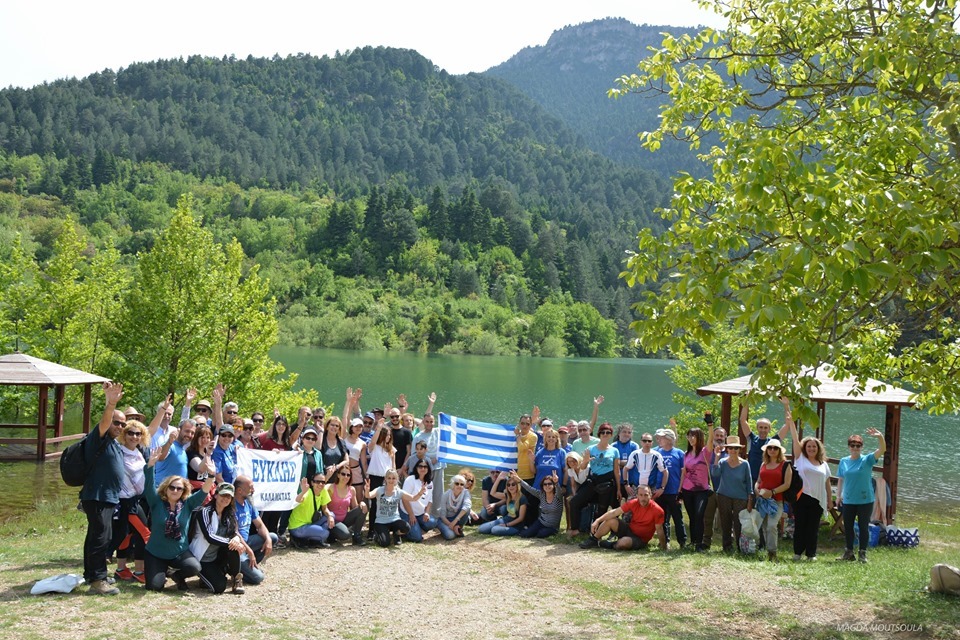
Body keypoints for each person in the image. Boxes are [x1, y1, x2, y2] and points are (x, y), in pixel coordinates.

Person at [143, 448, 215, 591]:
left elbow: (204, 491)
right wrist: (151, 464)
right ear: (166, 488)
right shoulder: (156, 501)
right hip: (155, 552)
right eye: (172, 487)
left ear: (184, 491)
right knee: (154, 587)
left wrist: (211, 475)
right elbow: (149, 484)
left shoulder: (188, 504)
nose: (175, 491)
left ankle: (176, 575)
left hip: (179, 552)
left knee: (194, 567)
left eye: (179, 488)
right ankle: (161, 571)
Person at [80, 381, 126, 596]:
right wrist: (111, 404)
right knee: (101, 537)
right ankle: (98, 581)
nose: (119, 426)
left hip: (106, 496)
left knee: (96, 536)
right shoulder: (98, 438)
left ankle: (92, 574)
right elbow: (105, 422)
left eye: (122, 424)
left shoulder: (115, 443)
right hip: (97, 496)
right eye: (117, 422)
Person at [782, 398, 833, 561]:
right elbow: (795, 437)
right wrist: (787, 408)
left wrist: (830, 500)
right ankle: (797, 553)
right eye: (809, 446)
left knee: (813, 528)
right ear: (805, 448)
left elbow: (827, 482)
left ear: (818, 449)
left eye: (814, 446)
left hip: (818, 500)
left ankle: (811, 554)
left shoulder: (823, 464)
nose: (811, 448)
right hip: (801, 497)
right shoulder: (800, 458)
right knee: (800, 526)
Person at [837, 427, 886, 562]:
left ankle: (862, 553)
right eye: (852, 445)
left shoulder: (867, 460)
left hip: (865, 500)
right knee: (848, 526)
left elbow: (882, 449)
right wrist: (838, 495)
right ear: (849, 446)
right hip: (848, 499)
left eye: (858, 445)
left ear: (861, 447)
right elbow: (841, 479)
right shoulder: (844, 461)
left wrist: (880, 437)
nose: (855, 448)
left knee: (863, 526)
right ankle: (849, 553)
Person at [190, 483, 247, 594]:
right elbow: (209, 536)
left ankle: (237, 579)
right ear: (216, 495)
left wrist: (236, 539)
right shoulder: (205, 512)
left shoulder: (229, 513)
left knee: (233, 547)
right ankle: (209, 577)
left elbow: (233, 532)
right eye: (223, 495)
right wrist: (232, 541)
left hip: (217, 555)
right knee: (219, 588)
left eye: (228, 496)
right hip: (203, 558)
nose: (225, 499)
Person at [569, 423, 621, 543]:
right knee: (575, 502)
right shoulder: (591, 449)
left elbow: (617, 471)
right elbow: (582, 467)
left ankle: (596, 535)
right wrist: (585, 461)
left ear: (611, 435)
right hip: (593, 481)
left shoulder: (614, 451)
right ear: (599, 434)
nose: (605, 434)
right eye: (603, 432)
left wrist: (618, 488)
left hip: (607, 482)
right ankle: (575, 529)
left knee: (602, 509)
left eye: (608, 432)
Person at [112, 418, 149, 584]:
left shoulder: (139, 452)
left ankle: (121, 569)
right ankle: (140, 570)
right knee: (144, 533)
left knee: (128, 534)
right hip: (125, 501)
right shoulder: (118, 451)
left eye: (138, 433)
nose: (134, 437)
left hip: (137, 498)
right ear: (124, 435)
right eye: (131, 433)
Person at [579, 485, 667, 551]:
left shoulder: (657, 510)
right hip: (629, 530)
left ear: (650, 495)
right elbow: (614, 512)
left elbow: (659, 530)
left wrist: (664, 548)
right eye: (641, 495)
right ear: (637, 495)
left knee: (623, 543)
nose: (643, 498)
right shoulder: (634, 502)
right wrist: (597, 521)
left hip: (641, 539)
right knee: (611, 521)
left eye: (646, 495)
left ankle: (610, 544)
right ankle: (593, 540)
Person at [233, 475, 276, 585]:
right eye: (251, 487)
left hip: (247, 542)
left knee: (272, 537)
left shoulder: (248, 503)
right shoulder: (231, 506)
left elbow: (260, 525)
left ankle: (249, 566)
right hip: (236, 547)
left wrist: (268, 540)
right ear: (239, 490)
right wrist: (249, 551)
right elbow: (235, 533)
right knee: (258, 578)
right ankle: (239, 570)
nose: (253, 490)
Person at [754, 438, 792, 561]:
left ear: (779, 450)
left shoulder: (785, 465)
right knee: (764, 527)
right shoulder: (763, 464)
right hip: (762, 501)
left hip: (777, 501)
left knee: (771, 526)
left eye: (775, 448)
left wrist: (772, 492)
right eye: (769, 448)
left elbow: (787, 484)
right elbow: (759, 481)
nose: (772, 450)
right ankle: (768, 551)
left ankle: (772, 552)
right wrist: (756, 489)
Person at [713, 436, 753, 553]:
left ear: (739, 450)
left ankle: (741, 547)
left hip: (741, 497)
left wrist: (750, 500)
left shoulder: (745, 464)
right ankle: (727, 547)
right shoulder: (722, 462)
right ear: (727, 449)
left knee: (739, 523)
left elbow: (749, 483)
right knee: (725, 522)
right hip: (723, 495)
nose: (733, 450)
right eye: (730, 448)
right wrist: (716, 457)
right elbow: (715, 473)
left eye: (736, 448)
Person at [366, 469, 425, 547]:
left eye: (393, 478)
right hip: (381, 521)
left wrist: (420, 492)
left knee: (406, 527)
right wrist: (367, 490)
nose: (391, 480)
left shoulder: (399, 492)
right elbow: (368, 495)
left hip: (394, 520)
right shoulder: (380, 490)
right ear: (385, 479)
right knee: (385, 543)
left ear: (397, 479)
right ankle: (378, 535)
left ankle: (397, 534)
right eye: (389, 478)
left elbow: (413, 498)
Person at [739, 401, 789, 485]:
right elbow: (742, 420)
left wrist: (786, 405)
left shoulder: (774, 442)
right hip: (752, 478)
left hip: (769, 477)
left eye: (765, 428)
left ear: (769, 429)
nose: (763, 430)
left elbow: (787, 425)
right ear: (757, 428)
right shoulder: (752, 439)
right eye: (761, 427)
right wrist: (746, 401)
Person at [680, 426, 712, 552]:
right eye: (689, 436)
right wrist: (679, 491)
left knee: (699, 515)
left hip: (702, 490)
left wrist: (710, 426)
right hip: (687, 489)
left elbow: (711, 439)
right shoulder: (686, 454)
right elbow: (684, 473)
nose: (691, 438)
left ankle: (699, 543)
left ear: (699, 437)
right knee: (692, 516)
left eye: (694, 436)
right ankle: (693, 542)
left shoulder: (705, 451)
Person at [654, 422, 686, 549]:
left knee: (678, 518)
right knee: (662, 518)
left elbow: (684, 473)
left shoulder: (679, 453)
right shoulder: (656, 452)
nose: (659, 439)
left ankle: (682, 542)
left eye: (662, 437)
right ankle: (664, 541)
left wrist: (680, 490)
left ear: (668, 439)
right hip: (660, 491)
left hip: (674, 490)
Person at [365, 409, 397, 535]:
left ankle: (387, 529)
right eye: (387, 435)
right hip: (374, 478)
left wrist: (394, 481)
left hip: (387, 480)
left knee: (387, 505)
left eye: (390, 435)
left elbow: (393, 466)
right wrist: (379, 427)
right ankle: (371, 530)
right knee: (374, 504)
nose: (389, 437)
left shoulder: (392, 449)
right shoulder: (375, 447)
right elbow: (373, 441)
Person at [324, 462, 368, 545]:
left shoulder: (351, 489)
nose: (346, 477)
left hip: (344, 518)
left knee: (363, 508)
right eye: (343, 474)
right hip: (332, 519)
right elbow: (319, 489)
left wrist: (361, 503)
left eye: (348, 475)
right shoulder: (330, 487)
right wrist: (327, 477)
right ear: (338, 475)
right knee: (345, 535)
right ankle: (332, 533)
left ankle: (357, 535)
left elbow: (355, 508)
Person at [288, 473, 333, 548]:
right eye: (317, 482)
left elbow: (325, 508)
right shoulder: (307, 492)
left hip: (309, 523)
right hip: (298, 527)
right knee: (325, 533)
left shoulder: (323, 491)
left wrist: (330, 516)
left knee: (331, 515)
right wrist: (302, 492)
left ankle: (314, 540)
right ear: (312, 483)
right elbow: (298, 500)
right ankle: (299, 539)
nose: (320, 484)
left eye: (323, 482)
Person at [516, 470, 564, 538]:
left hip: (553, 527)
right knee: (525, 534)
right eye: (545, 484)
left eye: (550, 484)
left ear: (553, 485)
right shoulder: (541, 494)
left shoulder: (558, 496)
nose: (547, 486)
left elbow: (559, 489)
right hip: (541, 522)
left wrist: (556, 482)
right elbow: (529, 488)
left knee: (541, 534)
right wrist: (520, 480)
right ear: (542, 486)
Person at [623, 432, 667, 503]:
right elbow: (626, 469)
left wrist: (662, 488)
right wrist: (626, 485)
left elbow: (665, 472)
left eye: (649, 441)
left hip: (651, 489)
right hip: (636, 487)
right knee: (628, 511)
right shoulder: (635, 454)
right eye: (644, 441)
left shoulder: (657, 455)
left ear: (652, 443)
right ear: (641, 442)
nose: (647, 443)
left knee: (650, 511)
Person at [401, 459, 438, 542]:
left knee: (433, 523)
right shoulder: (410, 479)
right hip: (407, 512)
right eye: (420, 466)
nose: (423, 468)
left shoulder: (430, 483)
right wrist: (411, 515)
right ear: (416, 468)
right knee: (417, 538)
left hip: (420, 513)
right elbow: (404, 499)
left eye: (425, 466)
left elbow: (430, 499)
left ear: (428, 469)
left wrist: (427, 513)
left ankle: (416, 526)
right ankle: (404, 530)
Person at [154, 419, 194, 485]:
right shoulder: (169, 445)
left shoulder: (182, 450)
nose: (189, 435)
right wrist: (169, 442)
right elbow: (160, 457)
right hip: (163, 491)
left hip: (177, 492)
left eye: (192, 433)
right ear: (179, 430)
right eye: (187, 431)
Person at [436, 474, 472, 540]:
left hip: (456, 519)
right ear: (453, 484)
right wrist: (451, 525)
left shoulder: (466, 493)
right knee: (450, 536)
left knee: (467, 509)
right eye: (457, 483)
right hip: (445, 520)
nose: (459, 486)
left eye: (461, 484)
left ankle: (459, 527)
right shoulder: (446, 495)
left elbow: (467, 505)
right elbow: (442, 515)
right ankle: (452, 529)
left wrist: (455, 522)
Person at [612, 423, 639, 500]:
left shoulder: (634, 446)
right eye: (624, 432)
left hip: (630, 481)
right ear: (619, 433)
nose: (626, 434)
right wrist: (625, 463)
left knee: (630, 506)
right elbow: (612, 463)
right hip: (617, 481)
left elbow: (634, 462)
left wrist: (618, 463)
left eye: (629, 432)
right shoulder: (613, 446)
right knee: (615, 505)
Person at [564, 451, 589, 534]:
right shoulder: (570, 471)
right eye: (569, 461)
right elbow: (573, 485)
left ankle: (583, 529)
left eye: (574, 460)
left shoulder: (585, 468)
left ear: (578, 459)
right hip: (581, 489)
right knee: (572, 502)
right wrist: (574, 495)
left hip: (590, 487)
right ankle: (574, 527)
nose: (572, 463)